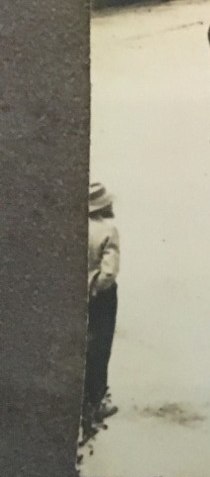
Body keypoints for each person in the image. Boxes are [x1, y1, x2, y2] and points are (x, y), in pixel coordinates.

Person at [83, 182, 121, 434]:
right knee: (100, 348)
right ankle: (95, 405)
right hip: (99, 296)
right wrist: (95, 288)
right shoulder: (108, 230)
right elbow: (109, 272)